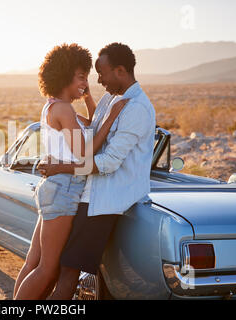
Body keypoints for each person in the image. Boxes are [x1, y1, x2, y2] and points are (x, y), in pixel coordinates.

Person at [37, 42, 156, 300]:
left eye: (101, 73)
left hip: (102, 203)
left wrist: (60, 167)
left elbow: (108, 163)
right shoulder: (110, 99)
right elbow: (92, 131)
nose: (98, 80)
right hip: (87, 196)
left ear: (120, 71)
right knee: (57, 269)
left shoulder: (135, 108)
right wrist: (90, 98)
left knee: (68, 273)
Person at [13, 43, 128, 300]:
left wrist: (87, 96)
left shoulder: (56, 106)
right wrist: (113, 117)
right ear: (65, 76)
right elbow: (85, 155)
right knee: (48, 268)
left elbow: (92, 122)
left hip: (55, 188)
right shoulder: (64, 110)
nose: (85, 82)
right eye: (81, 77)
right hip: (63, 190)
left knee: (34, 261)